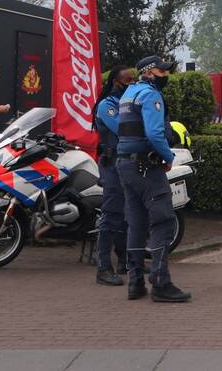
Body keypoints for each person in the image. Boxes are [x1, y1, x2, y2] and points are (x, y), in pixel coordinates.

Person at [117, 55, 191, 302]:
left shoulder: (129, 94)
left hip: (125, 165)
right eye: (162, 71)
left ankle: (135, 283)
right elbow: (155, 133)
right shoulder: (150, 95)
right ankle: (160, 283)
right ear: (149, 72)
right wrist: (167, 156)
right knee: (162, 222)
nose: (166, 75)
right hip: (146, 168)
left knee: (136, 224)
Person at [93, 65, 137, 286]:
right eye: (128, 81)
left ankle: (124, 261)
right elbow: (124, 128)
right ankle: (103, 268)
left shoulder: (129, 104)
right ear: (116, 82)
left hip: (127, 163)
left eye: (134, 80)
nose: (132, 84)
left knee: (127, 213)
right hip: (111, 164)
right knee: (111, 214)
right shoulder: (107, 105)